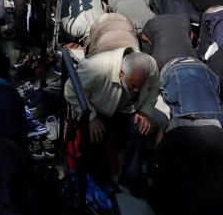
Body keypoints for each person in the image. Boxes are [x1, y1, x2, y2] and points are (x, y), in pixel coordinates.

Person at [64, 49, 159, 193]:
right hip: (100, 109)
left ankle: (131, 177)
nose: (138, 90)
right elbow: (70, 89)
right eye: (133, 85)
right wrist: (91, 117)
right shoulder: (97, 68)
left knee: (141, 126)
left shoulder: (149, 67)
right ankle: (101, 178)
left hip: (127, 109)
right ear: (121, 73)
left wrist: (145, 111)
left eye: (141, 85)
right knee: (96, 132)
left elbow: (154, 88)